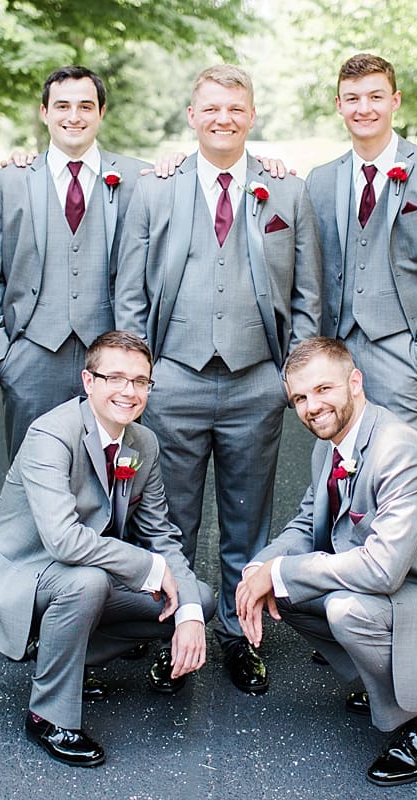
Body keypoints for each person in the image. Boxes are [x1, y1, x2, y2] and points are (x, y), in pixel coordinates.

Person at [115, 64, 322, 696]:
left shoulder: (285, 190)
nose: (223, 118)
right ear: (192, 114)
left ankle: (240, 634)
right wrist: (140, 376)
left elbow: (308, 292)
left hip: (256, 378)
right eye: (211, 108)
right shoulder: (155, 189)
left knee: (248, 519)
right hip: (173, 378)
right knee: (170, 521)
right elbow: (129, 293)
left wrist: (293, 376)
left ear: (251, 115)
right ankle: (172, 631)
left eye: (235, 108)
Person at [235, 337, 417, 786]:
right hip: (404, 586)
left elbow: (382, 570)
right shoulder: (329, 446)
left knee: (344, 609)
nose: (312, 406)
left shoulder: (399, 450)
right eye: (300, 397)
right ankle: (393, 684)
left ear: (355, 382)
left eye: (324, 389)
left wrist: (280, 573)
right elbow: (306, 524)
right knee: (282, 592)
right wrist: (257, 570)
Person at [0, 331, 212, 768]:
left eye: (140, 381)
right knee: (88, 584)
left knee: (199, 598)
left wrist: (188, 616)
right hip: (23, 570)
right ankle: (47, 716)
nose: (128, 391)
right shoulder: (50, 434)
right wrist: (147, 566)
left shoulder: (142, 444)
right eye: (115, 378)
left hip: (83, 570)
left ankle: (71, 660)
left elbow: (162, 535)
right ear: (88, 381)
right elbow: (63, 539)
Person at [0, 65, 149, 459]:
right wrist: (1, 358)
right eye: (62, 106)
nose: (74, 116)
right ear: (44, 112)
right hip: (31, 356)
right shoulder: (9, 182)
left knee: (110, 477)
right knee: (30, 476)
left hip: (113, 359)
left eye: (86, 106)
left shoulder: (138, 179)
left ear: (101, 113)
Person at [305, 54, 417, 440]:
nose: (364, 108)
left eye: (375, 97)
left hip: (403, 352)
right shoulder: (320, 180)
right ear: (339, 105)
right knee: (341, 468)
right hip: (336, 355)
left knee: (407, 469)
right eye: (352, 98)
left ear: (394, 101)